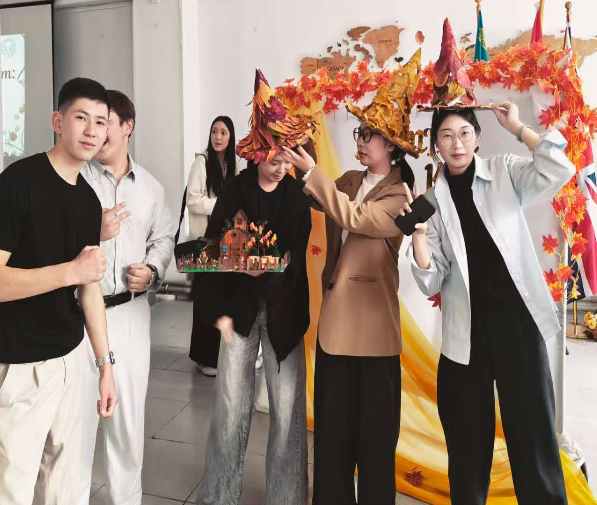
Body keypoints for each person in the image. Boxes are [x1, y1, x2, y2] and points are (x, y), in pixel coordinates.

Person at [405, 103, 573, 505]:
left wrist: (517, 127)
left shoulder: (504, 172)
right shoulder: (431, 202)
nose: (457, 144)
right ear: (435, 145)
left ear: (477, 137)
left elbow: (559, 170)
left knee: (533, 439)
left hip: (517, 325)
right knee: (466, 446)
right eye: (446, 136)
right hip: (466, 335)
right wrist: (418, 237)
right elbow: (432, 278)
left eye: (464, 133)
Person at [280, 49, 424, 505]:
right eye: (360, 132)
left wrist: (313, 173)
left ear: (392, 146)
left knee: (375, 447)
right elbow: (318, 197)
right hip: (334, 332)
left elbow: (355, 217)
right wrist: (294, 148)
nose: (360, 141)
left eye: (369, 135)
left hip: (375, 337)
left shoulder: (401, 196)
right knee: (333, 443)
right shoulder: (347, 179)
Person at [195, 69, 315, 505]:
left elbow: (294, 251)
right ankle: (218, 497)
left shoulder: (296, 196)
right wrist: (234, 267)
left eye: (287, 160)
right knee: (230, 409)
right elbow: (212, 244)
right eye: (274, 159)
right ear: (258, 153)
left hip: (285, 312)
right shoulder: (234, 191)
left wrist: (268, 263)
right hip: (239, 310)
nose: (281, 167)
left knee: (288, 414)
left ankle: (287, 498)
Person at [0, 77, 118, 505]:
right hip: (20, 361)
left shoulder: (88, 201)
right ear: (57, 121)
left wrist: (105, 366)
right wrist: (70, 271)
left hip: (70, 359)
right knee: (12, 487)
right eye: (81, 118)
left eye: (100, 122)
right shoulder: (18, 182)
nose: (91, 130)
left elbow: (90, 290)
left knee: (64, 488)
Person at [78, 90, 174, 505]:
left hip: (131, 315)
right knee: (77, 426)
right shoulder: (76, 180)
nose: (95, 132)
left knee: (127, 425)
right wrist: (92, 229)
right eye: (90, 122)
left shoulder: (150, 188)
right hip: (79, 315)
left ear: (127, 127)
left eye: (104, 123)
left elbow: (164, 238)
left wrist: (151, 270)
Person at [187, 116, 240, 376]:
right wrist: (221, 204)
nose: (217, 137)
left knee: (222, 298)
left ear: (230, 137)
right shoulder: (202, 161)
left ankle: (219, 354)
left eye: (223, 133)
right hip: (205, 241)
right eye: (214, 132)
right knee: (205, 299)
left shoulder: (234, 164)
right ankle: (203, 357)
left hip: (226, 242)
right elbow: (192, 200)